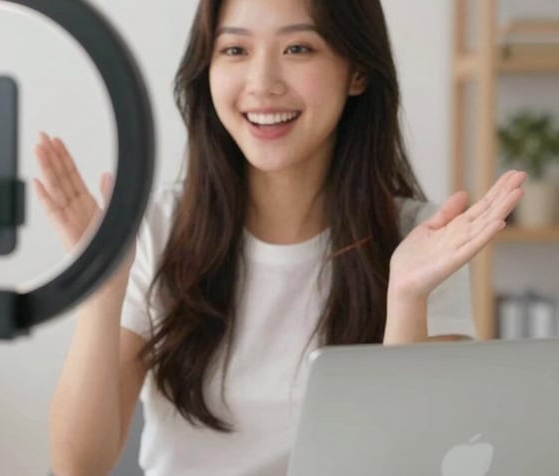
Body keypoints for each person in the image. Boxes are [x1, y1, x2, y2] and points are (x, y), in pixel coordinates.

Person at [35, 0, 526, 475]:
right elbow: (78, 465)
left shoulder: (422, 241)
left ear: (357, 72)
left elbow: (416, 461)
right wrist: (104, 288)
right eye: (235, 50)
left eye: (298, 49)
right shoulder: (160, 226)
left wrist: (405, 299)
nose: (262, 83)